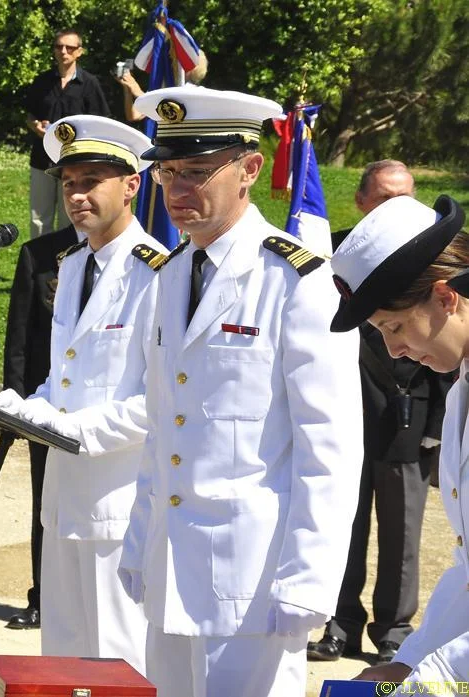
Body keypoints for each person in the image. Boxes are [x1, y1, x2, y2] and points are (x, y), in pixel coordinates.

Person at [118, 85, 363, 697]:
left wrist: (310, 580)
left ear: (250, 168)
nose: (176, 191)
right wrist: (139, 537)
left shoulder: (296, 280)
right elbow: (162, 426)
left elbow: (328, 447)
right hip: (171, 567)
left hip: (254, 583)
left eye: (197, 172)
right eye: (168, 172)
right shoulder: (170, 275)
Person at [0, 114, 164, 670]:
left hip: (120, 505)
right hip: (63, 502)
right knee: (62, 663)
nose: (77, 194)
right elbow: (62, 377)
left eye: (92, 180)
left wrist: (69, 430)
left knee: (120, 664)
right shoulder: (70, 266)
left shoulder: (158, 275)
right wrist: (28, 408)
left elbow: (160, 404)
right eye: (69, 182)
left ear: (132, 184)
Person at [308, 161, 451, 664]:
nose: (392, 346)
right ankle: (341, 623)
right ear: (362, 202)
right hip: (353, 418)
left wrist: (436, 431)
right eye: (387, 197)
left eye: (395, 328)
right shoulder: (343, 262)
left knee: (402, 537)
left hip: (407, 423)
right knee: (346, 526)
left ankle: (394, 627)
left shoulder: (429, 272)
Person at [326, 194, 469, 687]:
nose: (395, 351)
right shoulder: (462, 387)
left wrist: (431, 678)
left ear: (446, 298)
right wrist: (406, 662)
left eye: (395, 327)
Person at [0, 221, 78, 630]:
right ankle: (43, 597)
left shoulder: (145, 259)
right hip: (44, 407)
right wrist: (13, 406)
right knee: (45, 502)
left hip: (104, 415)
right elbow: (19, 337)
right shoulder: (42, 253)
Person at [24, 28, 110, 239]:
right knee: (39, 217)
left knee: (70, 217)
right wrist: (34, 126)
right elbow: (29, 115)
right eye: (59, 46)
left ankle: (67, 268)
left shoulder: (89, 84)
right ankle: (38, 268)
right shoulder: (42, 81)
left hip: (74, 163)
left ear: (79, 52)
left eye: (70, 47)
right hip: (42, 159)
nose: (64, 51)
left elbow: (101, 123)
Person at [116, 50, 208, 124]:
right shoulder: (164, 89)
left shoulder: (198, 92)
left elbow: (171, 110)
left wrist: (139, 93)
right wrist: (128, 88)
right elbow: (133, 116)